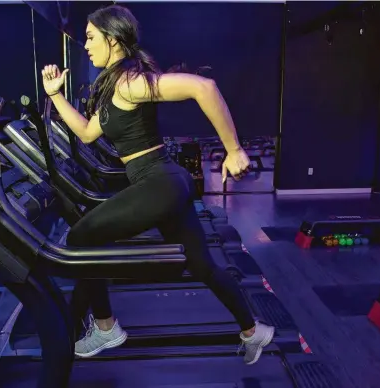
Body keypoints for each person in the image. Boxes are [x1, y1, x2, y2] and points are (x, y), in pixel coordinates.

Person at [41, 5, 275, 365]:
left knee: (81, 237)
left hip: (158, 181)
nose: (85, 46)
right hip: (165, 180)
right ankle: (252, 331)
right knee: (201, 266)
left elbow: (204, 87)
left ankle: (105, 328)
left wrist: (234, 149)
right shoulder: (116, 85)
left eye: (90, 38)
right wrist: (55, 95)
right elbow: (88, 133)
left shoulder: (132, 82)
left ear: (113, 39)